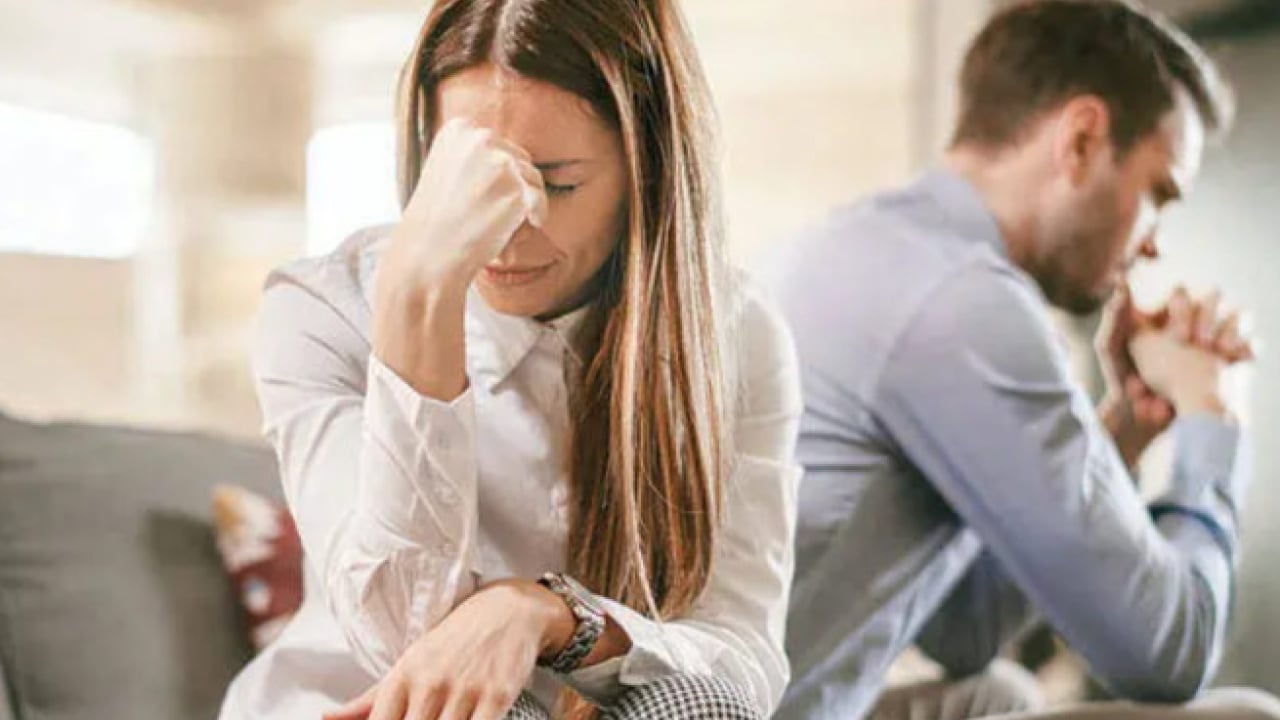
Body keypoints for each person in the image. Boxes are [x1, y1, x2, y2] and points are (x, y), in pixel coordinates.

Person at [216, 1, 803, 718]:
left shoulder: (735, 334)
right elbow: (399, 635)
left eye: (556, 185)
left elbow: (742, 661)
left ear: (644, 168)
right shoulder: (323, 310)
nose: (503, 234)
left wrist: (547, 617)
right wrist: (420, 295)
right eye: (472, 177)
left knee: (693, 703)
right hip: (361, 707)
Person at [765, 1, 1280, 719]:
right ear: (1081, 139)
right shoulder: (963, 303)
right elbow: (1171, 656)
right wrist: (1214, 413)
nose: (1155, 241)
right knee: (1248, 718)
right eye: (1158, 193)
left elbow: (964, 630)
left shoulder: (868, 248)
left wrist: (1124, 431)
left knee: (994, 692)